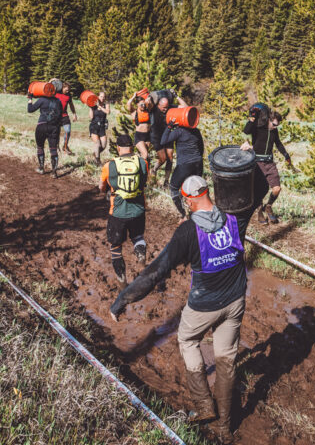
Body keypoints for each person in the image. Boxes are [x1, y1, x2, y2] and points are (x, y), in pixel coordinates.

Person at [110, 176, 244, 444]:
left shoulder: (187, 232)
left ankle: (205, 405)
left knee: (188, 339)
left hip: (204, 304)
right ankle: (225, 427)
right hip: (236, 301)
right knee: (226, 358)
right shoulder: (234, 219)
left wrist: (123, 298)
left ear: (190, 199)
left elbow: (155, 272)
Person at [98, 134, 149, 283]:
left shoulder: (109, 166)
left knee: (115, 246)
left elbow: (102, 187)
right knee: (138, 237)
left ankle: (122, 281)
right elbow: (144, 183)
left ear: (118, 148)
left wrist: (106, 189)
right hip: (138, 211)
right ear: (132, 147)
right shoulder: (142, 163)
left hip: (118, 213)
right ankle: (140, 255)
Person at [241, 103, 294, 224]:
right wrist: (252, 118)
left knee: (277, 189)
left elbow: (278, 144)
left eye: (277, 125)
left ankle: (268, 206)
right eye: (274, 124)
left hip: (269, 163)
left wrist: (286, 155)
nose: (275, 127)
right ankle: (260, 211)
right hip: (257, 163)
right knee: (259, 190)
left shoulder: (274, 132)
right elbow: (246, 130)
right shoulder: (258, 128)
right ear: (268, 120)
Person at [159, 109, 204, 218]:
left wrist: (169, 127)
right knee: (195, 190)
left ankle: (184, 215)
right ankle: (198, 213)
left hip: (185, 165)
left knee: (174, 188)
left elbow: (163, 141)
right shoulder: (196, 131)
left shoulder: (179, 131)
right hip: (198, 163)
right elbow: (201, 148)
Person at [149, 89, 188, 182]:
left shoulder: (170, 107)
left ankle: (166, 181)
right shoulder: (153, 109)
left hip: (168, 135)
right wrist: (149, 97)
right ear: (158, 104)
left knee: (170, 158)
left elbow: (186, 107)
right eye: (163, 107)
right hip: (156, 136)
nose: (165, 109)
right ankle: (154, 169)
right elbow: (147, 102)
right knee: (163, 159)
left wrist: (176, 96)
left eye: (167, 107)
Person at [28, 88, 63, 173]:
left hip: (42, 126)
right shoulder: (58, 101)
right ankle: (54, 172)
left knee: (40, 147)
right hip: (54, 127)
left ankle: (41, 168)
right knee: (53, 149)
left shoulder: (42, 99)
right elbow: (60, 116)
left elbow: (30, 110)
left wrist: (30, 99)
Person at [126, 90, 153, 161]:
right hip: (139, 136)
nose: (143, 106)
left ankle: (145, 171)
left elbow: (150, 104)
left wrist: (148, 97)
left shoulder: (148, 111)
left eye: (144, 104)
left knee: (146, 156)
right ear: (137, 104)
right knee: (145, 154)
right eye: (141, 104)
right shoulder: (134, 112)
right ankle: (141, 169)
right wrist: (133, 97)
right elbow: (128, 104)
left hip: (148, 136)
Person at [56, 82, 78, 156]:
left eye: (69, 90)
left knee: (68, 131)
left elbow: (71, 105)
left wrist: (74, 114)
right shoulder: (56, 93)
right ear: (62, 88)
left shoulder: (68, 96)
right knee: (56, 133)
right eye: (66, 90)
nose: (68, 91)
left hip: (64, 116)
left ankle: (65, 147)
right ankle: (56, 147)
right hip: (56, 117)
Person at [89, 91, 111, 165]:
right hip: (94, 126)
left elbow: (108, 112)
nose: (103, 98)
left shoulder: (106, 105)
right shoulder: (93, 105)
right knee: (98, 144)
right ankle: (98, 161)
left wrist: (100, 107)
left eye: (104, 97)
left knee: (104, 145)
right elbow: (91, 117)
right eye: (101, 96)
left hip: (102, 127)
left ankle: (95, 153)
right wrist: (91, 108)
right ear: (98, 97)